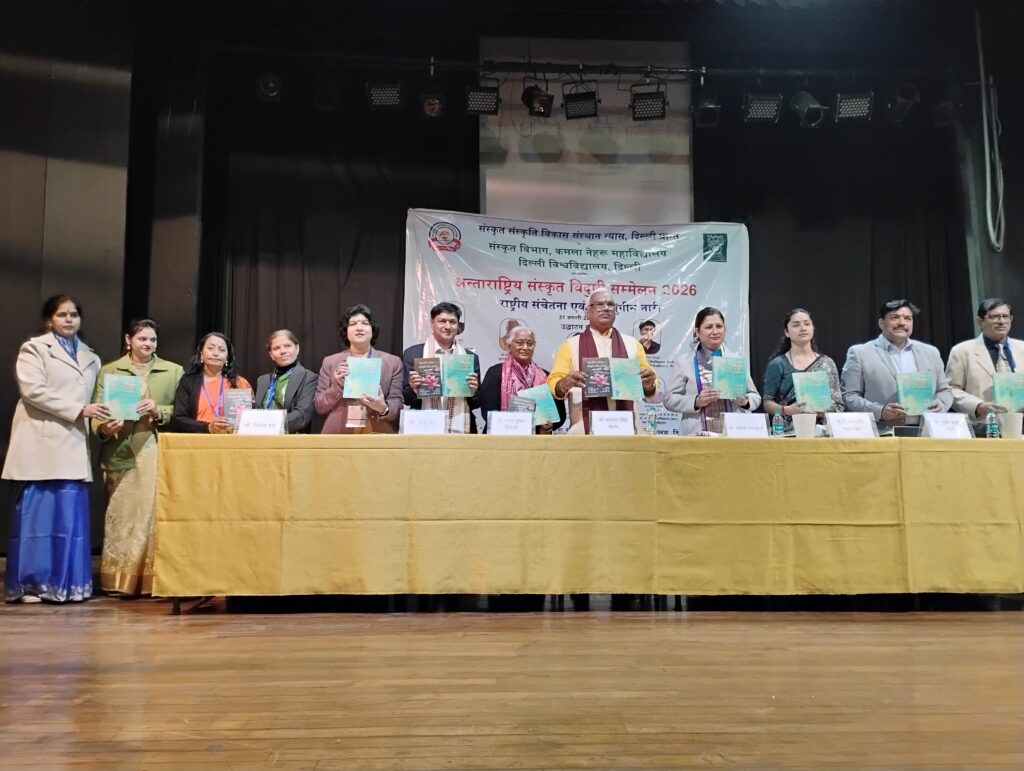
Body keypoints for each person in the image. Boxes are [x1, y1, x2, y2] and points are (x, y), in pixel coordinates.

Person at [3, 294, 108, 603]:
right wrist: (78, 410)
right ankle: (31, 584)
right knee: (37, 518)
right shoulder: (35, 349)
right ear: (50, 319)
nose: (69, 319)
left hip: (72, 444)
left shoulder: (91, 356)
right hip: (42, 441)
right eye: (62, 314)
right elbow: (33, 391)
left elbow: (96, 400)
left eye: (74, 314)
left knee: (68, 518)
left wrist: (107, 420)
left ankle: (68, 584)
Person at [91, 319, 184, 596]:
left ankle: (149, 581)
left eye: (153, 340)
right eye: (142, 339)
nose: (148, 344)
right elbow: (97, 413)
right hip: (119, 448)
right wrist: (105, 428)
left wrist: (158, 410)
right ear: (128, 340)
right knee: (121, 514)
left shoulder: (173, 370)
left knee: (151, 515)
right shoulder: (109, 371)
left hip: (154, 447)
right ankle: (118, 581)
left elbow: (181, 411)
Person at [547, 289, 659, 434]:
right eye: (599, 304)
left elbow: (650, 386)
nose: (606, 308)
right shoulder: (570, 345)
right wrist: (564, 383)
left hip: (628, 429)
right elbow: (553, 383)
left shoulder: (632, 344)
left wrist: (649, 384)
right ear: (587, 312)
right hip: (584, 430)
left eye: (610, 304)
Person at [841, 299, 953, 430]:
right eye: (895, 318)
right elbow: (849, 396)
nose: (902, 323)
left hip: (927, 430)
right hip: (883, 432)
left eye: (907, 318)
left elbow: (944, 390)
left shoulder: (931, 352)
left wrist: (941, 403)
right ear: (881, 323)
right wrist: (880, 411)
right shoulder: (860, 353)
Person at [664, 306, 761, 435]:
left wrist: (745, 401)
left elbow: (755, 396)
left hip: (732, 434)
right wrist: (696, 401)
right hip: (696, 435)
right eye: (709, 327)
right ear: (697, 331)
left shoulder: (735, 360)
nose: (715, 331)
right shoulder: (684, 362)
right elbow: (669, 400)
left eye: (719, 326)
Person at [315, 305, 403, 434]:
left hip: (377, 433)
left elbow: (397, 403)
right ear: (346, 330)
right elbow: (319, 406)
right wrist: (337, 386)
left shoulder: (392, 362)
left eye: (365, 323)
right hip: (338, 434)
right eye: (353, 324)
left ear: (372, 329)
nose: (359, 328)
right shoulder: (330, 362)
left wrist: (383, 407)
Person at [403, 301, 481, 434]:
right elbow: (406, 399)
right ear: (432, 323)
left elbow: (476, 403)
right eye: (442, 321)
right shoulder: (414, 354)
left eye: (453, 322)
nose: (448, 326)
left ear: (458, 325)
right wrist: (414, 389)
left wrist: (473, 392)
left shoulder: (469, 358)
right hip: (423, 426)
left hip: (461, 430)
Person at [946, 298, 1024, 430]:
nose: (1001, 321)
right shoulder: (961, 351)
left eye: (1005, 316)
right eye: (994, 317)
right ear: (980, 321)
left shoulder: (1022, 348)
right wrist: (977, 406)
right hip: (984, 426)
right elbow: (950, 389)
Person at [762, 308, 844, 432]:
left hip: (822, 433)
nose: (803, 328)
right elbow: (767, 402)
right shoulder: (778, 364)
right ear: (787, 332)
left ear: (813, 328)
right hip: (788, 434)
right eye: (796, 325)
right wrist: (786, 410)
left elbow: (838, 405)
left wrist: (822, 411)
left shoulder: (827, 363)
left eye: (807, 324)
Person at [479, 326, 566, 434]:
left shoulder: (545, 376)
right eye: (520, 343)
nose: (525, 347)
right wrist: (512, 424)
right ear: (509, 346)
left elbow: (560, 414)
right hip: (500, 437)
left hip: (536, 439)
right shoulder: (495, 373)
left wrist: (550, 424)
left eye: (530, 343)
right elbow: (487, 410)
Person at [170, 332, 253, 433]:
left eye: (221, 350)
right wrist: (208, 427)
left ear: (227, 357)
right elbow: (178, 419)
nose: (216, 353)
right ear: (201, 354)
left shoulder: (240, 383)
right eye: (210, 348)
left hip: (232, 440)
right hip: (197, 439)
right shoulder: (188, 382)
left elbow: (251, 420)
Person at [254, 329, 317, 434]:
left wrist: (269, 425)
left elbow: (302, 415)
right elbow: (256, 411)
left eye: (287, 346)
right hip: (261, 437)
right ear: (271, 354)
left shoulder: (308, 377)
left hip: (291, 438)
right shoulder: (262, 380)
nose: (282, 351)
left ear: (297, 348)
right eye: (276, 348)